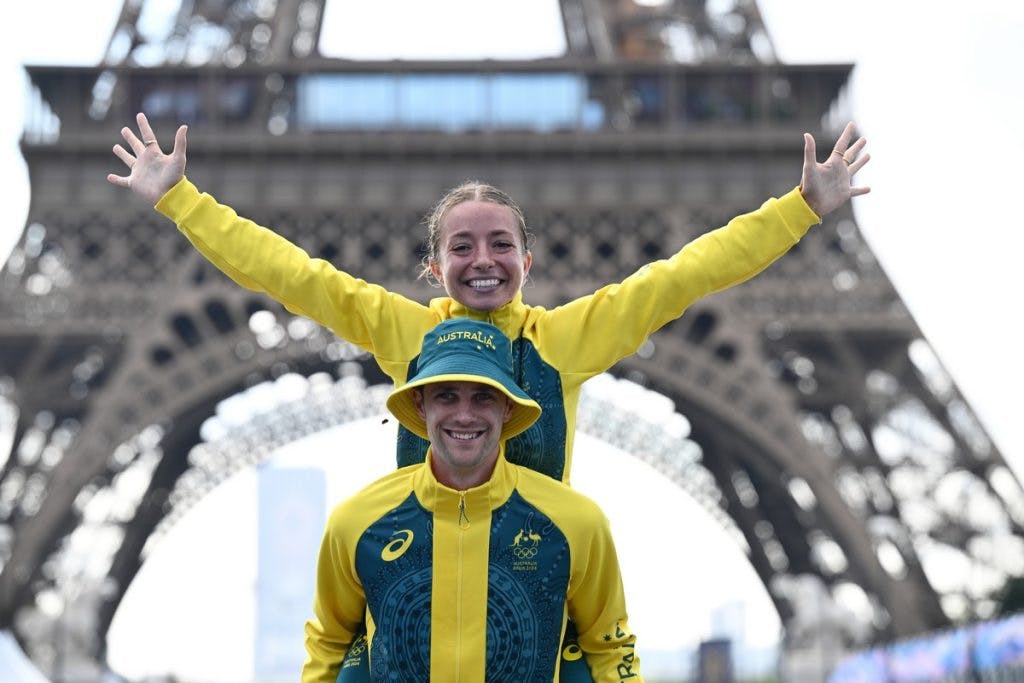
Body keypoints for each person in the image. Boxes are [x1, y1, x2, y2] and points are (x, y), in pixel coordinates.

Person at [107, 112, 870, 484]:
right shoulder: (402, 330)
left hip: (527, 607)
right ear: (434, 268)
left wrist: (798, 208)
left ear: (528, 261)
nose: (483, 260)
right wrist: (182, 201)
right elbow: (291, 273)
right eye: (461, 246)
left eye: (500, 244)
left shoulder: (565, 337)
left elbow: (685, 275)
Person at [302, 317, 642, 682]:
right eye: (446, 395)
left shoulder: (578, 523)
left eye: (483, 396)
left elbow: (610, 647)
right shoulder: (354, 523)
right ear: (420, 403)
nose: (464, 415)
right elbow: (328, 645)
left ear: (508, 407)